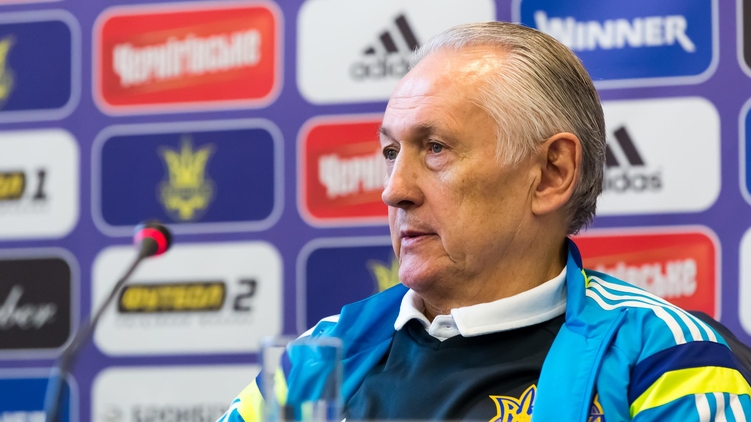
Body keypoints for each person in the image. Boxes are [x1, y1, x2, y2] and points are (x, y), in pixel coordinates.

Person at [219, 21, 751, 421]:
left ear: (551, 173)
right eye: (390, 152)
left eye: (435, 147)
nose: (394, 190)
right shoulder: (318, 360)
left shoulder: (665, 357)